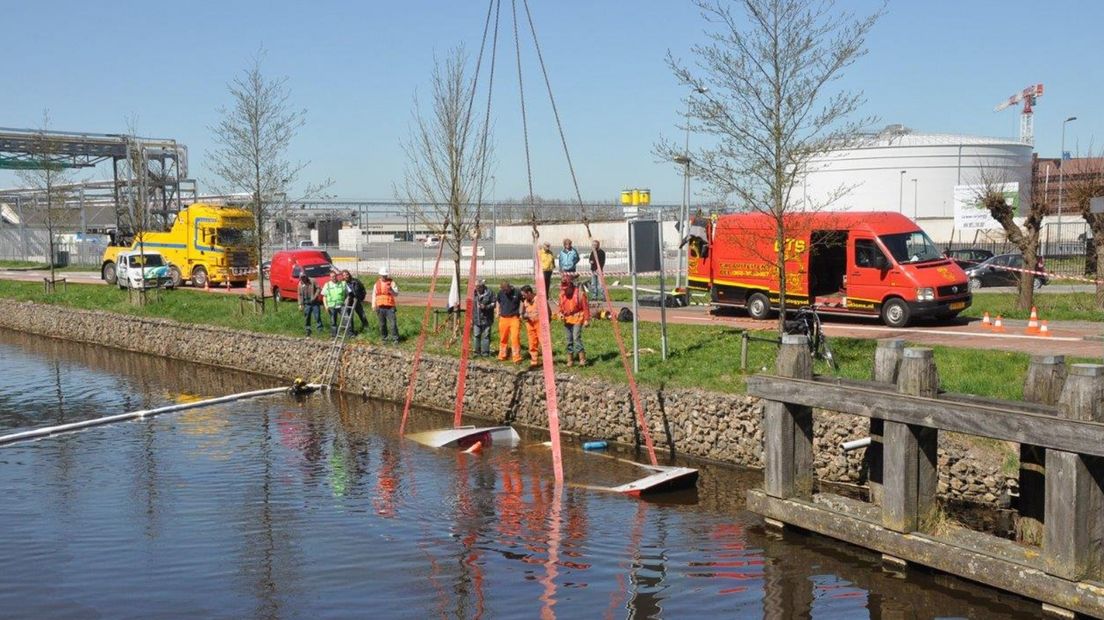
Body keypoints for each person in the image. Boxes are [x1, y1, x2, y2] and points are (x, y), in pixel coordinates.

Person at [559, 274, 590, 367]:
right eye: (563, 289)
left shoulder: (580, 294)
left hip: (578, 318)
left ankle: (582, 359)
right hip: (567, 319)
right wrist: (560, 313)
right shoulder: (562, 294)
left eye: (566, 289)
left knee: (576, 337)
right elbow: (560, 307)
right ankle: (570, 360)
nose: (565, 291)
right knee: (569, 339)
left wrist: (586, 319)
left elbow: (585, 307)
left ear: (570, 286)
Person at [496, 280, 523, 363]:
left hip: (514, 318)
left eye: (506, 290)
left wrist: (521, 313)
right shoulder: (500, 293)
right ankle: (502, 355)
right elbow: (498, 302)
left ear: (509, 287)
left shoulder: (517, 292)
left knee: (515, 337)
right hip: (503, 318)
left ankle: (516, 357)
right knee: (503, 338)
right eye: (503, 290)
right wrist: (497, 312)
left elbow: (523, 302)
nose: (505, 292)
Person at [372, 268, 400, 343]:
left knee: (393, 324)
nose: (384, 277)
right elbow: (374, 295)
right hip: (380, 307)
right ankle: (384, 338)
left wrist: (391, 290)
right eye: (383, 275)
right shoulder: (376, 284)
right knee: (382, 324)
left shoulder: (392, 283)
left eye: (385, 275)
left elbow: (396, 294)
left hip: (390, 307)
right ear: (380, 275)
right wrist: (373, 305)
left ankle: (395, 338)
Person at [520, 284, 542, 367]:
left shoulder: (539, 299)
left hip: (539, 324)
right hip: (530, 324)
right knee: (532, 342)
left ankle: (547, 361)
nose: (523, 297)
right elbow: (522, 313)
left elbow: (548, 311)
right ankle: (534, 360)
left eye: (524, 295)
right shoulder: (525, 301)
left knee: (543, 342)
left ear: (529, 293)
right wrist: (523, 316)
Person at [472, 279, 496, 357]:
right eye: (476, 287)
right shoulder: (473, 293)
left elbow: (494, 304)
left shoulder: (490, 293)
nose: (477, 289)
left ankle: (485, 352)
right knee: (476, 335)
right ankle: (476, 352)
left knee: (486, 336)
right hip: (476, 318)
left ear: (482, 286)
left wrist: (486, 307)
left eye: (478, 287)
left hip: (487, 319)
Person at [320, 271, 347, 337]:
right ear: (330, 278)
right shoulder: (327, 285)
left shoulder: (342, 283)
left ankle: (347, 333)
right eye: (332, 277)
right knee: (333, 321)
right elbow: (324, 297)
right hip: (332, 306)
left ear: (336, 276)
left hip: (341, 305)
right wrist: (326, 306)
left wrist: (346, 301)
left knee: (346, 319)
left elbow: (347, 293)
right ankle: (334, 334)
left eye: (335, 276)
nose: (334, 277)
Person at [343, 270, 369, 335]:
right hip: (349, 302)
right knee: (350, 317)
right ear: (343, 276)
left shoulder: (356, 281)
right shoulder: (342, 283)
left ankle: (367, 328)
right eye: (344, 275)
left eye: (347, 274)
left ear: (349, 274)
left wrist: (361, 298)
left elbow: (363, 290)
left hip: (356, 301)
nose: (346, 276)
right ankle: (351, 332)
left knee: (362, 315)